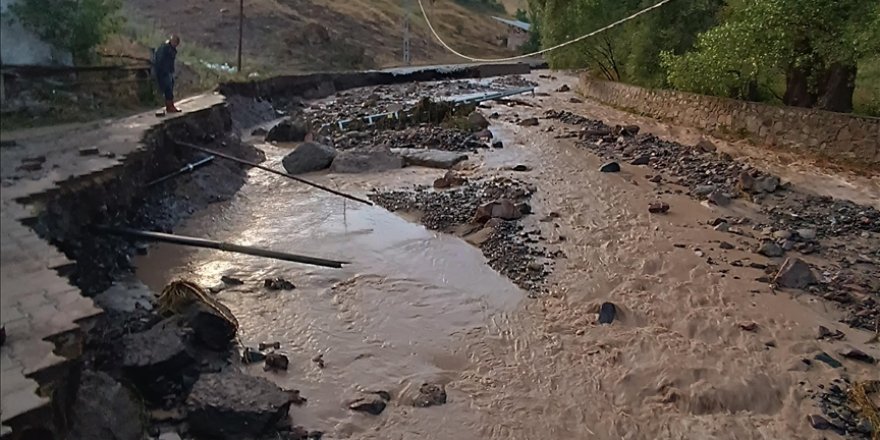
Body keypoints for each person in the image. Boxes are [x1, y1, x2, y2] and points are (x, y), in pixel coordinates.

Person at [154, 35, 181, 114]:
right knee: (168, 88)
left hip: (168, 71)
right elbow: (160, 60)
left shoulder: (172, 49)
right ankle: (169, 107)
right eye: (175, 43)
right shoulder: (164, 48)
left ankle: (170, 106)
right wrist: (162, 70)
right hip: (164, 71)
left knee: (170, 87)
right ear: (172, 41)